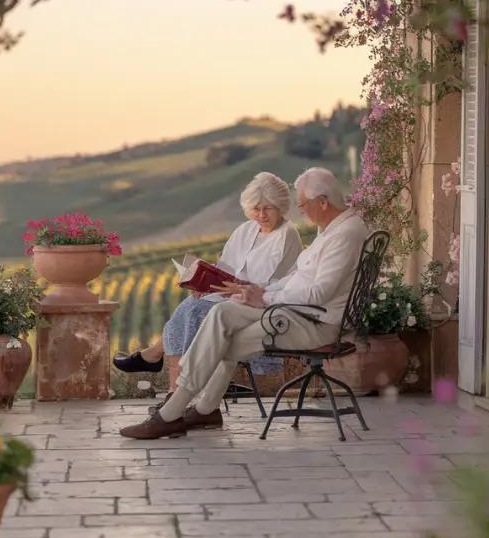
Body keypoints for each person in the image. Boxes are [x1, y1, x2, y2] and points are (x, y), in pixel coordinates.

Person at [120, 167, 368, 439]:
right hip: (295, 312)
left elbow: (319, 292)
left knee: (223, 330)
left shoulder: (344, 233)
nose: (302, 212)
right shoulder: (332, 229)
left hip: (312, 322)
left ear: (322, 202)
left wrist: (265, 298)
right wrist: (259, 291)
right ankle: (199, 409)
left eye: (303, 205)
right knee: (223, 313)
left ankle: (173, 412)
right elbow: (297, 279)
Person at [113, 172, 302, 379]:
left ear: (280, 206)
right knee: (186, 307)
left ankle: (169, 371)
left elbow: (278, 284)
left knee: (195, 312)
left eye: (268, 208)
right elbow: (227, 267)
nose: (262, 215)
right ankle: (174, 388)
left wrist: (239, 287)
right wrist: (203, 283)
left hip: (257, 302)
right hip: (230, 294)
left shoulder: (287, 234)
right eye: (256, 209)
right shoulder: (247, 229)